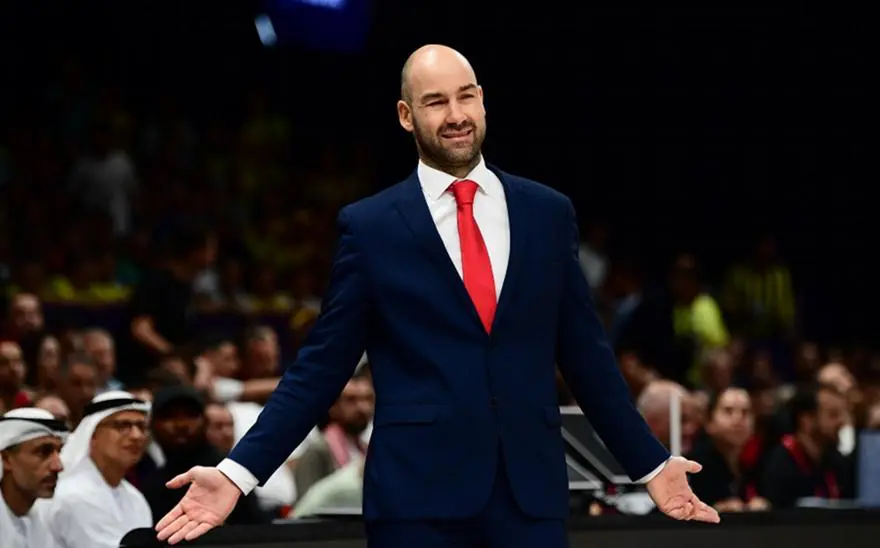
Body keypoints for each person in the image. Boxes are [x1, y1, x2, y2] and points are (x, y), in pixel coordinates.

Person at [156, 44, 719, 547]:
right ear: (407, 116)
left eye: (465, 96)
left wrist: (650, 464)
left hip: (530, 500)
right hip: (416, 504)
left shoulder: (548, 213)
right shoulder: (371, 227)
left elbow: (587, 359)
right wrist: (237, 474)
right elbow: (321, 369)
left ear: (483, 101)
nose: (455, 115)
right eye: (435, 102)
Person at [45, 391, 153, 548]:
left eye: (141, 427)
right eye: (123, 426)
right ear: (93, 434)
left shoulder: (136, 499)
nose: (136, 436)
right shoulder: (73, 494)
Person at [0, 407, 68, 548]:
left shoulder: (45, 518)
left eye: (59, 452)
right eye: (43, 452)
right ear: (6, 459)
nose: (58, 466)